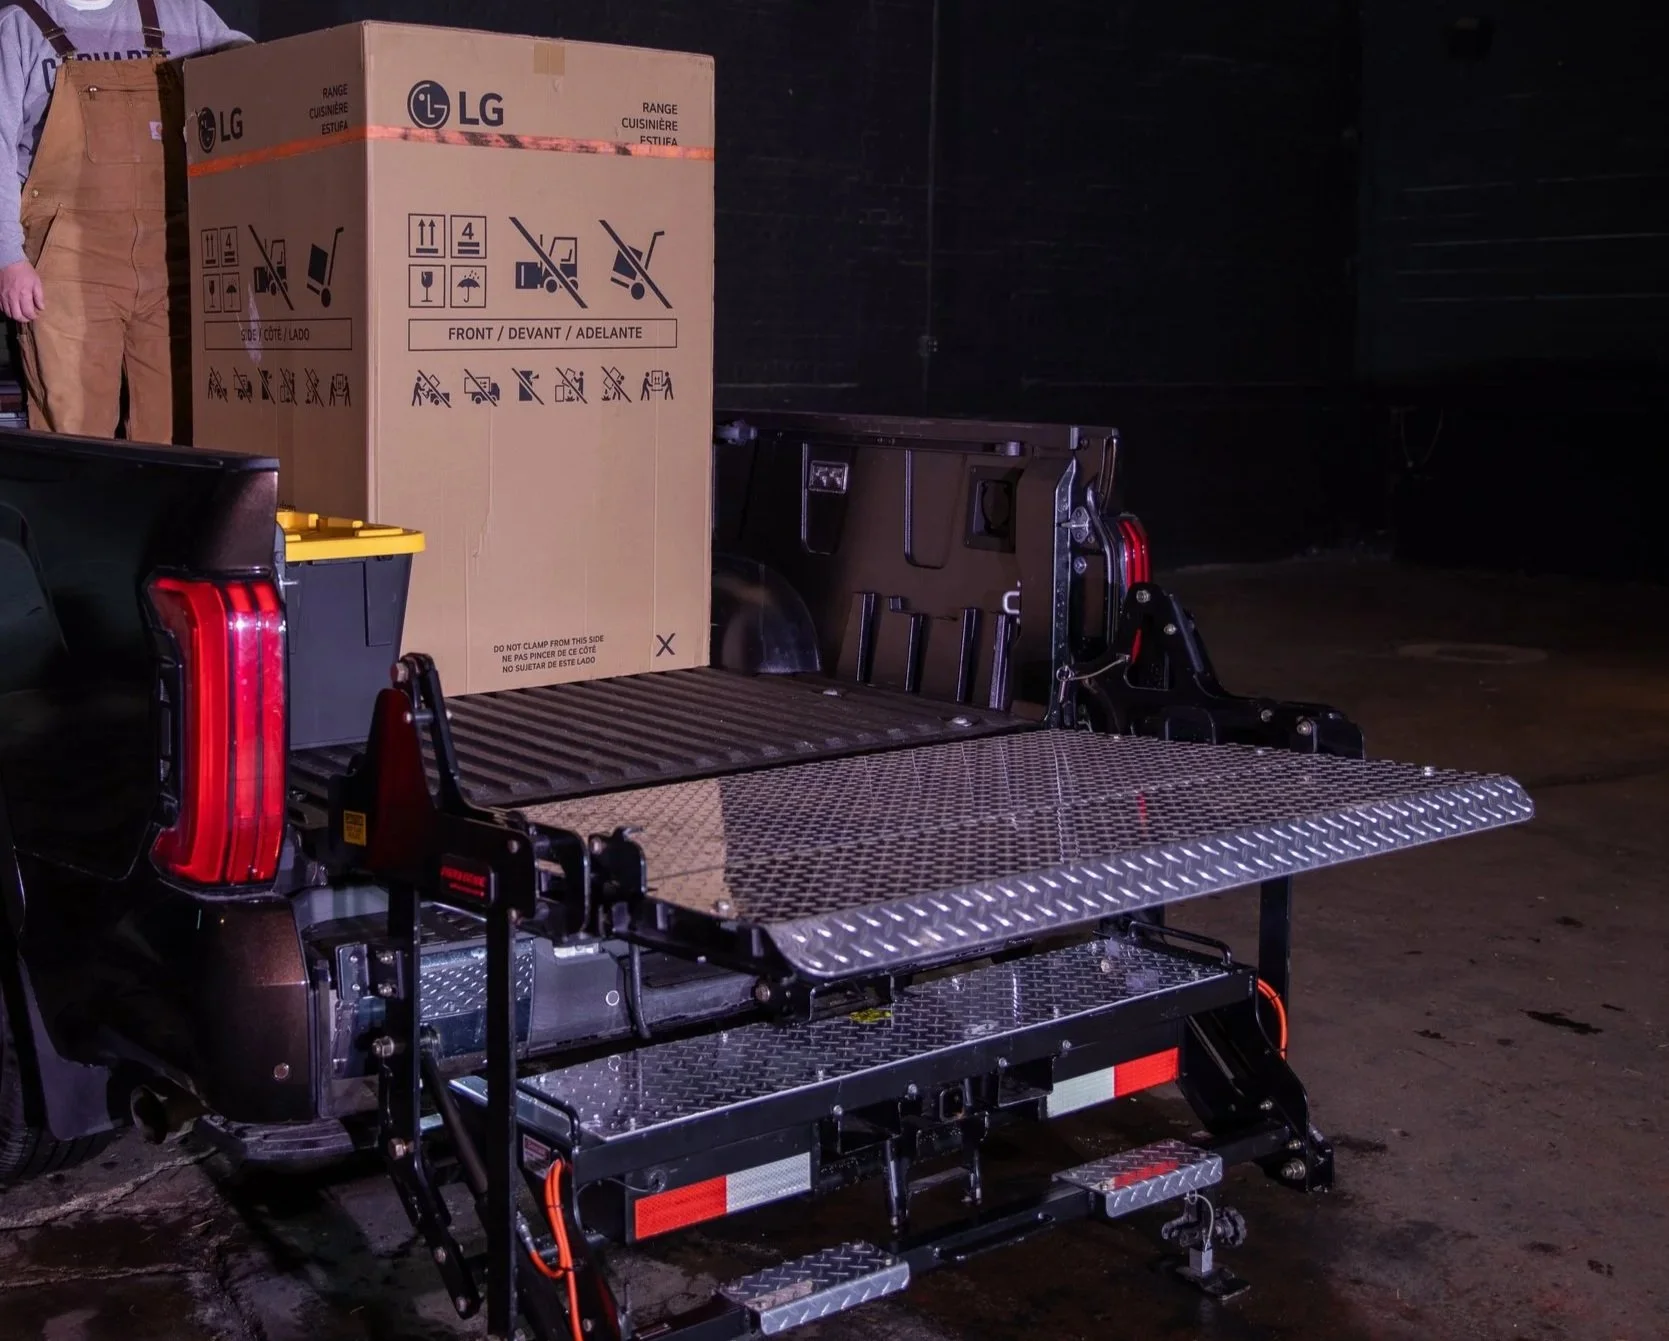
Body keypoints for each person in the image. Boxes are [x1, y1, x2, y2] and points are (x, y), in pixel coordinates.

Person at [0, 0, 247, 442]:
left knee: (177, 435)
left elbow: (257, 74)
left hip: (171, 258)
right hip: (68, 261)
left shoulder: (185, 16)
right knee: (75, 434)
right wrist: (7, 259)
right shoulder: (18, 28)